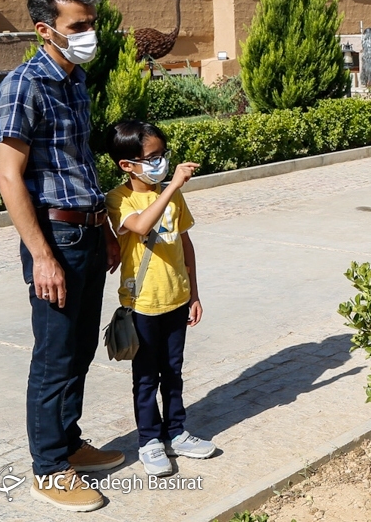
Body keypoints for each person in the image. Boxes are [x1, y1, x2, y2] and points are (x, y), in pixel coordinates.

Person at [0, 0, 124, 512]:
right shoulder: (25, 85)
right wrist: (42, 255)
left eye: (92, 22)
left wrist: (108, 229)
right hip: (57, 239)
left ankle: (68, 443)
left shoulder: (74, 81)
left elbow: (79, 164)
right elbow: (8, 176)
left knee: (82, 347)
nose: (91, 33)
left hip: (89, 231)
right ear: (47, 29)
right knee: (54, 355)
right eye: (80, 26)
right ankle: (47, 466)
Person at [105, 120, 215, 476]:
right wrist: (172, 188)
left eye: (162, 155)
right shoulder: (119, 199)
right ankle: (149, 440)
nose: (161, 163)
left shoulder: (173, 195)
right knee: (146, 377)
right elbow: (138, 226)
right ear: (127, 165)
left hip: (176, 298)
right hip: (143, 305)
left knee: (173, 371)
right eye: (152, 157)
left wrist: (194, 292)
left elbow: (186, 244)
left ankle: (176, 432)